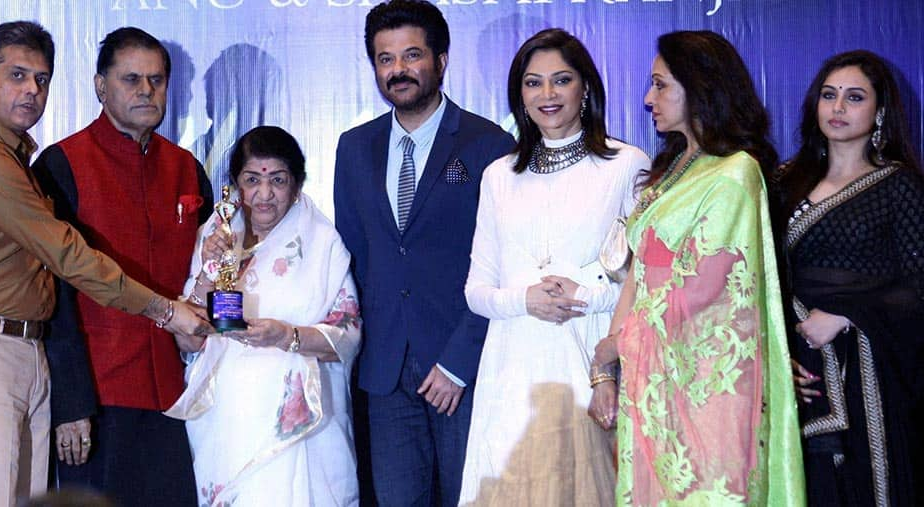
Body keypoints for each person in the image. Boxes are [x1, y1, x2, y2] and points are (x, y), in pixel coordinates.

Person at [0, 21, 211, 507]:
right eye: (17, 76)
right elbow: (66, 264)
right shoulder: (36, 162)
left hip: (159, 385)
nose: (32, 91)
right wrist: (74, 401)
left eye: (40, 79)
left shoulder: (185, 167)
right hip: (59, 378)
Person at [588, 30, 805, 505]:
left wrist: (618, 346)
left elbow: (706, 288)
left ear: (701, 88)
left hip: (705, 389)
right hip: (653, 384)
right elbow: (639, 274)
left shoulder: (735, 173)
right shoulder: (673, 168)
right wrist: (606, 368)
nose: (648, 98)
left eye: (661, 85)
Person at [332, 0, 515, 503]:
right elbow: (355, 258)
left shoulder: (487, 145)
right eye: (385, 59)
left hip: (462, 370)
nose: (398, 71)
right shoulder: (354, 148)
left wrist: (459, 362)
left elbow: (504, 265)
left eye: (412, 55)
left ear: (441, 59)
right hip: (386, 373)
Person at [457, 28, 648, 506]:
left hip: (591, 362)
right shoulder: (499, 176)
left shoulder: (627, 165)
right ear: (519, 95)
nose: (547, 95)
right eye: (533, 82)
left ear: (585, 88)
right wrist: (526, 299)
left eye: (561, 80)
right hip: (513, 370)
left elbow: (645, 280)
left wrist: (581, 292)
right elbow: (476, 291)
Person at [31, 27, 213, 506]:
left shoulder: (188, 168)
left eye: (156, 80)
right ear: (99, 86)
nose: (146, 90)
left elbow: (215, 270)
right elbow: (53, 296)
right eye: (131, 78)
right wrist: (71, 404)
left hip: (177, 396)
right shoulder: (60, 165)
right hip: (97, 400)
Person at [165, 126, 362, 506]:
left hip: (298, 429)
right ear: (237, 185)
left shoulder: (322, 243)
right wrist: (208, 270)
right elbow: (189, 339)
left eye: (278, 180)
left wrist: (286, 336)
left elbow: (348, 336)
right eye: (252, 180)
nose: (265, 194)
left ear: (297, 183)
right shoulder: (216, 234)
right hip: (228, 421)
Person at [772, 49, 924, 506]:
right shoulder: (783, 182)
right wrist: (779, 354)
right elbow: (763, 277)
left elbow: (919, 286)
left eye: (854, 97)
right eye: (828, 96)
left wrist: (846, 316)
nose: (837, 108)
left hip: (870, 373)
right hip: (797, 367)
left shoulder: (898, 186)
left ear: (879, 112)